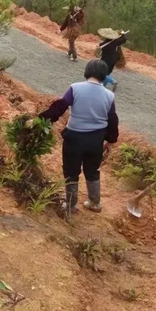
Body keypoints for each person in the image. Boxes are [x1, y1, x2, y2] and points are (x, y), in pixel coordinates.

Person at [39, 59, 119, 214]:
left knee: (71, 170)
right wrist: (110, 140)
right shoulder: (109, 95)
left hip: (74, 138)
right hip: (96, 140)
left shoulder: (75, 88)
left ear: (87, 71)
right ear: (104, 75)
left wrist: (42, 119)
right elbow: (112, 119)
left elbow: (60, 106)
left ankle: (70, 205)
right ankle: (95, 203)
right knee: (92, 169)